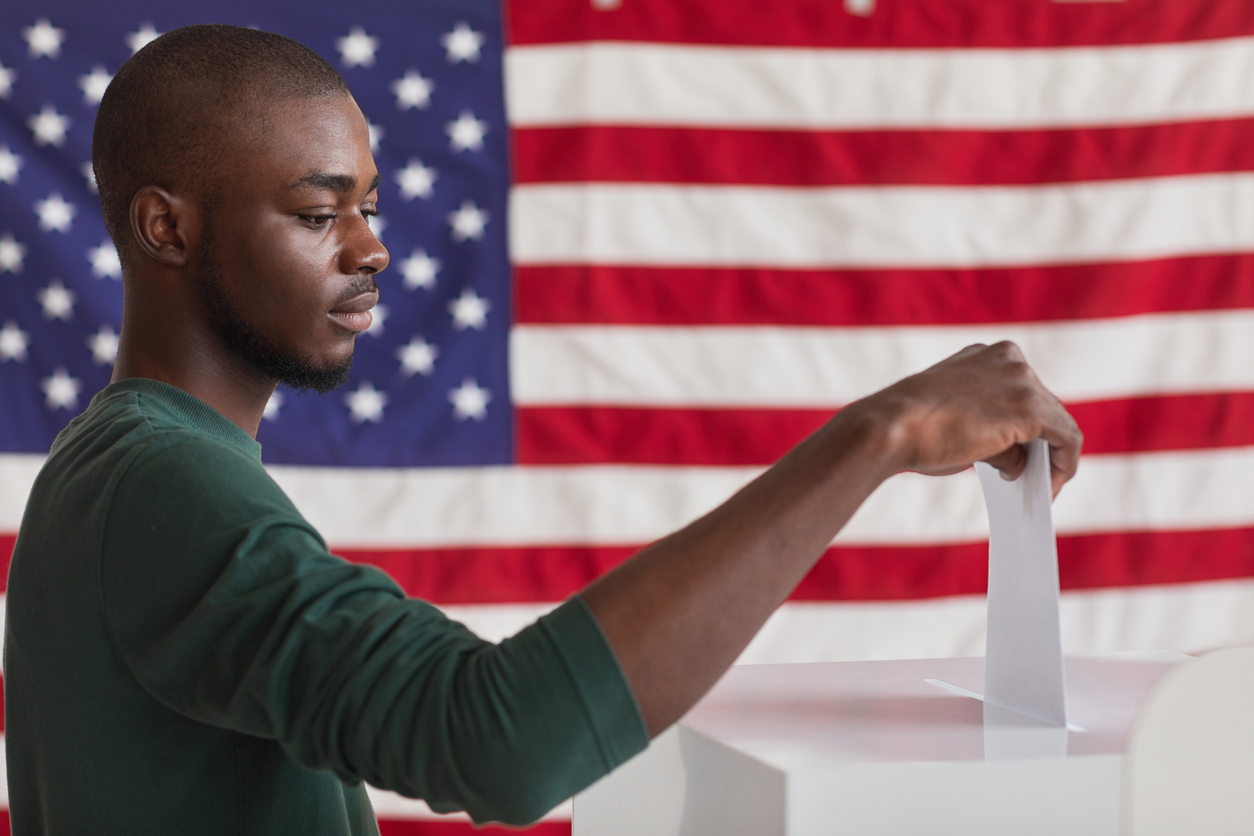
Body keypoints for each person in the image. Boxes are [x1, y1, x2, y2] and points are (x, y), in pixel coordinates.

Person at [3, 23, 1082, 836]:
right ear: (166, 227)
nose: (372, 249)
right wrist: (881, 434)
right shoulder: (157, 484)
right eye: (318, 212)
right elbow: (498, 738)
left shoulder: (125, 468)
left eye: (370, 206)